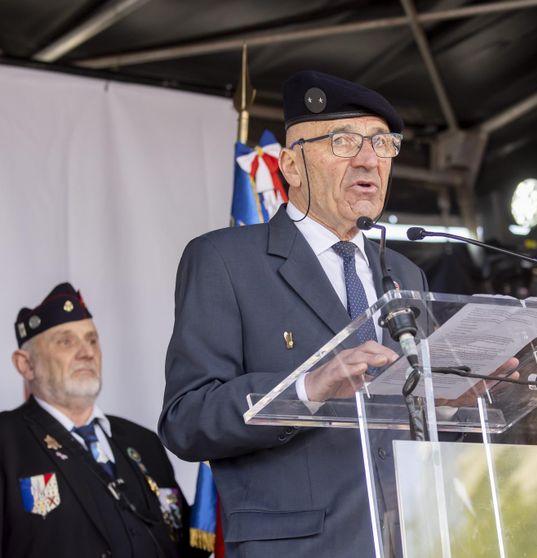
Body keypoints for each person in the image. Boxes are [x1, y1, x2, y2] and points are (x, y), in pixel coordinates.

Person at [159, 70, 428, 557]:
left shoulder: (405, 273)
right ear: (292, 165)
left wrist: (453, 402)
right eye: (344, 141)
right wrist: (306, 389)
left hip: (409, 540)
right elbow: (187, 419)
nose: (369, 159)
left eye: (382, 143)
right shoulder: (224, 261)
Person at [1, 282, 199, 558]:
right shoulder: (6, 443)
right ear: (26, 364)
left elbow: (189, 544)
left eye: (92, 340)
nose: (87, 352)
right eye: (66, 341)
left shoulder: (144, 442)